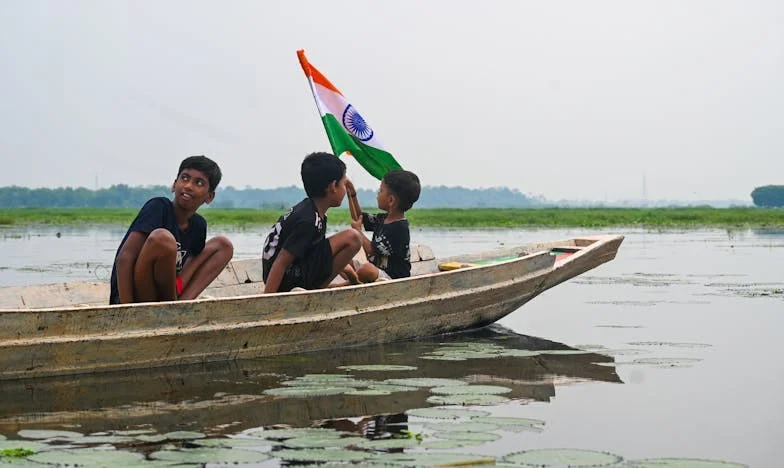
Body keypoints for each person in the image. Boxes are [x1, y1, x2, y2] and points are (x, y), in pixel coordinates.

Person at [109, 155, 233, 304]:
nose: (188, 186)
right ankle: (169, 308)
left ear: (209, 197)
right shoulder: (158, 207)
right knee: (163, 239)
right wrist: (126, 309)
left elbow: (185, 270)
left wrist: (177, 292)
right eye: (185, 178)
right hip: (135, 298)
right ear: (174, 185)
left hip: (168, 293)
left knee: (222, 245)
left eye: (199, 183)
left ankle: (181, 306)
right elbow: (125, 258)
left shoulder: (199, 226)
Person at [262, 152, 361, 293]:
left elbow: (316, 253)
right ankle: (316, 290)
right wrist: (268, 299)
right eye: (344, 184)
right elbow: (281, 261)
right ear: (333, 187)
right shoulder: (308, 220)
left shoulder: (312, 211)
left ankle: (316, 288)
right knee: (353, 238)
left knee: (345, 250)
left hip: (294, 272)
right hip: (287, 279)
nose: (346, 190)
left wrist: (351, 275)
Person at [346, 169, 420, 282]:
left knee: (367, 270)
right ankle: (354, 282)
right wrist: (351, 194)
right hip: (376, 270)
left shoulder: (399, 228)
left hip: (392, 279)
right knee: (342, 259)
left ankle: (348, 284)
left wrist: (358, 231)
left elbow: (371, 250)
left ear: (391, 200)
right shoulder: (383, 219)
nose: (377, 195)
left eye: (380, 191)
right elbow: (359, 217)